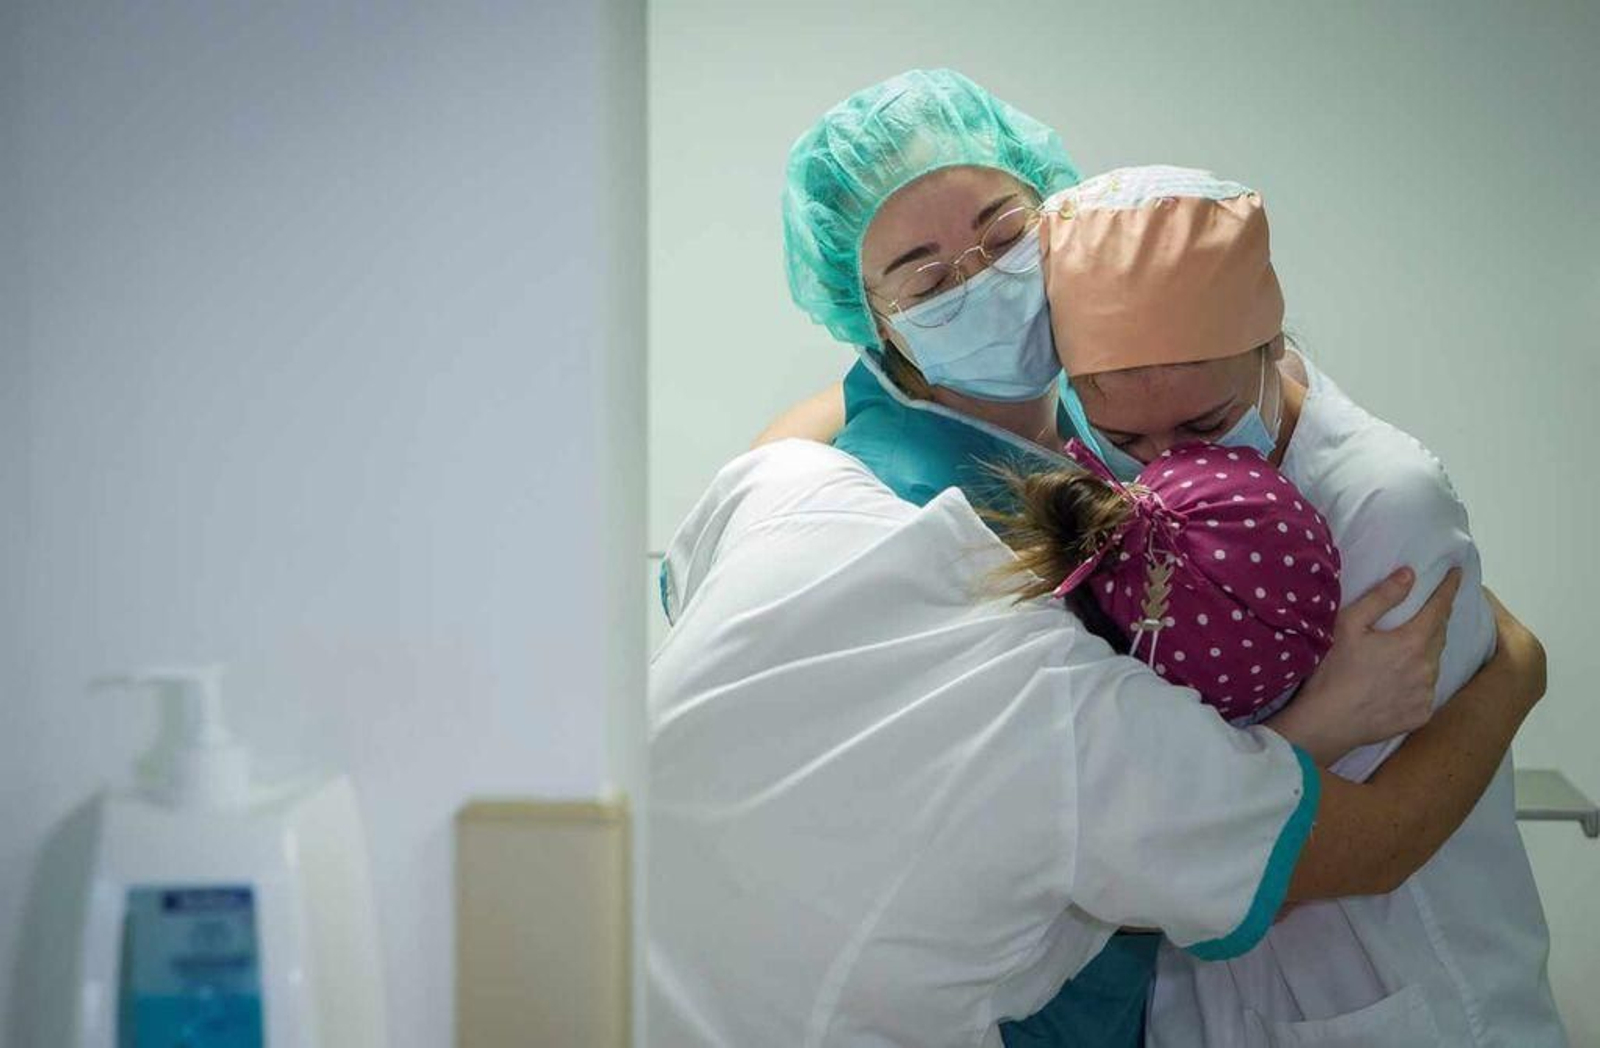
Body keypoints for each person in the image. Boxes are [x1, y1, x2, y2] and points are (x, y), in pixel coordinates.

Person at [765, 72, 1562, 1045]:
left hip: (1384, 994)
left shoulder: (1353, 491)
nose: (978, 284)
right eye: (927, 281)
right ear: (871, 318)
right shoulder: (967, 496)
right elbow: (1165, 831)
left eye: (1006, 239)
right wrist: (1506, 677)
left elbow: (1361, 834)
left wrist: (1513, 663)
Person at [647, 436, 1545, 1048]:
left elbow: (772, 455)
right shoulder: (1101, 740)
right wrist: (1517, 667)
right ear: (1195, 707)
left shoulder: (808, 497)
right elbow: (1382, 840)